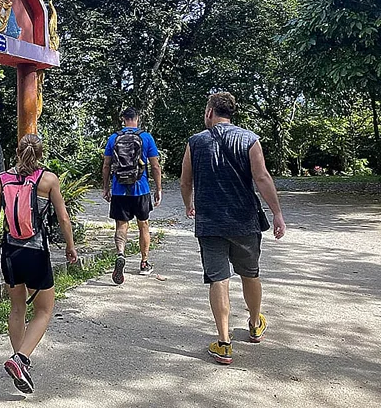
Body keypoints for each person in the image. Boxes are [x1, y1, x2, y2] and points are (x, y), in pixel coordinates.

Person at [180, 92, 286, 365]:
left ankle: (224, 343)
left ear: (210, 112)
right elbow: (262, 177)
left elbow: (185, 181)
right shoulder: (250, 139)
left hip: (210, 223)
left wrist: (189, 204)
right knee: (250, 273)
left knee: (218, 278)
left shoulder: (195, 142)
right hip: (244, 221)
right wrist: (277, 213)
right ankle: (255, 324)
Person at [0, 134, 78, 394]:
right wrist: (70, 246)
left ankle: (19, 360)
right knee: (44, 311)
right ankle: (21, 359)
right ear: (41, 154)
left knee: (17, 308)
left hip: (10, 253)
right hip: (36, 253)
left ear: (17, 152)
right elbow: (63, 218)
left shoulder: (2, 180)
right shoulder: (48, 179)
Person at [102, 107, 162, 284]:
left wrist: (105, 187)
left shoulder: (113, 138)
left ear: (123, 119)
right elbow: (155, 166)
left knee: (121, 225)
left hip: (119, 189)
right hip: (141, 189)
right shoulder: (146, 137)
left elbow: (106, 165)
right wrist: (158, 189)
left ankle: (121, 253)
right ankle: (144, 263)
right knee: (143, 225)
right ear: (137, 118)